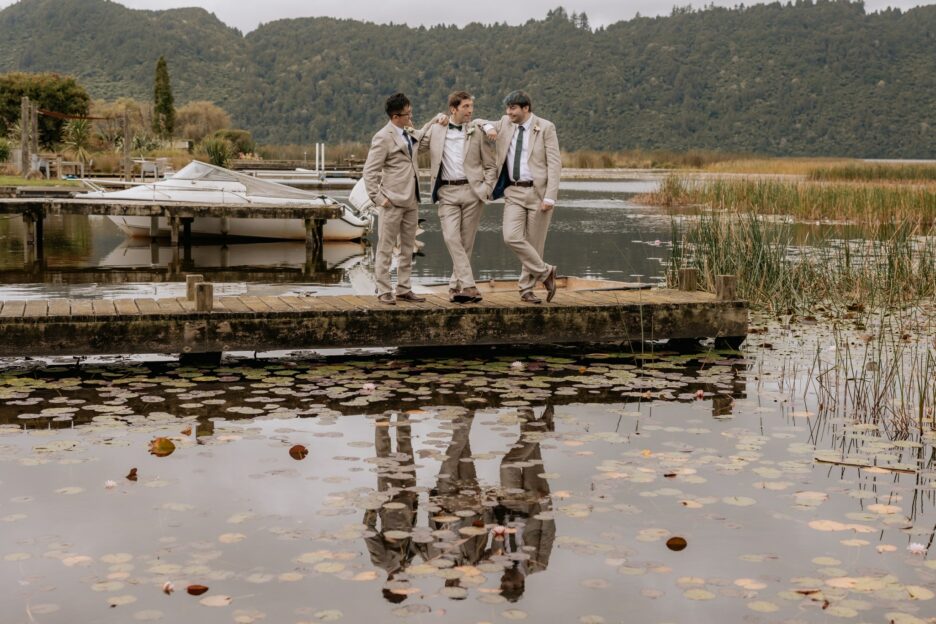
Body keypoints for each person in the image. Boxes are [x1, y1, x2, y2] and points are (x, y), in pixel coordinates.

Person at [418, 91, 497, 303]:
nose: (470, 111)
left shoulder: (477, 131)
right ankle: (470, 286)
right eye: (466, 107)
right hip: (446, 192)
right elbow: (415, 143)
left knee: (466, 243)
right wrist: (433, 120)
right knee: (452, 238)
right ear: (453, 109)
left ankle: (455, 287)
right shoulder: (436, 129)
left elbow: (490, 165)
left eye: (472, 106)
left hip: (473, 192)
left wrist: (487, 188)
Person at [482, 91, 561, 304]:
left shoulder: (546, 127)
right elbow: (480, 121)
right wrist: (489, 127)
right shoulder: (505, 123)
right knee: (511, 236)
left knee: (535, 245)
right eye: (507, 109)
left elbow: (555, 163)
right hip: (513, 192)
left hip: (538, 193)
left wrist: (550, 197)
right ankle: (546, 273)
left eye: (513, 109)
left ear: (526, 108)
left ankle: (526, 290)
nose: (509, 113)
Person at [362, 92, 428, 305]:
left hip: (412, 199)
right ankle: (383, 289)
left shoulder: (410, 132)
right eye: (408, 114)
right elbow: (369, 172)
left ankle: (404, 288)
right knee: (386, 247)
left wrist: (438, 120)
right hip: (390, 201)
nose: (411, 116)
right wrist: (379, 199)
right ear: (395, 116)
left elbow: (425, 142)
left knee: (408, 247)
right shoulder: (382, 137)